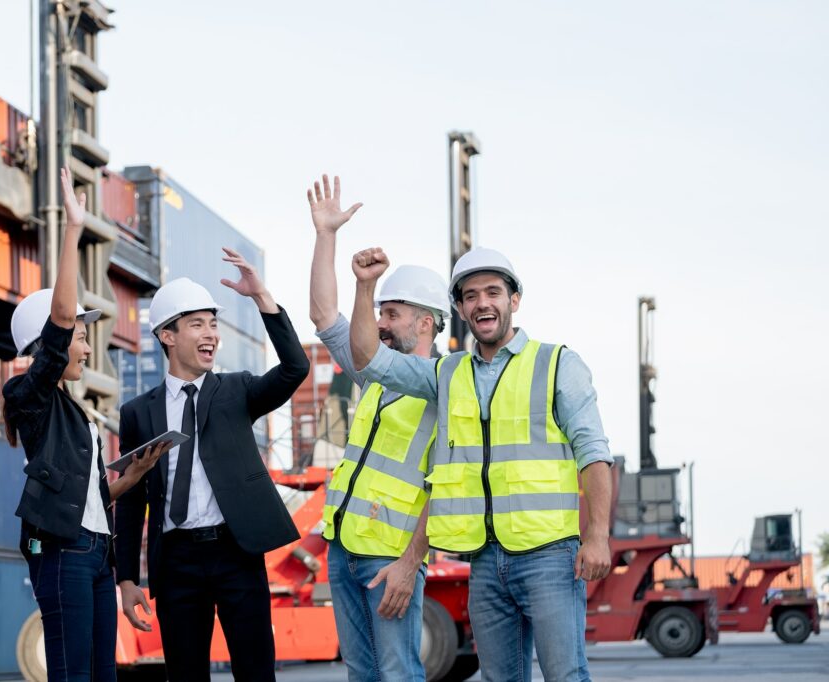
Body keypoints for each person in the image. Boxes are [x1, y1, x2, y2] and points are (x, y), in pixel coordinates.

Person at [349, 246, 614, 682]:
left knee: (566, 675)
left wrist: (598, 535)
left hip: (550, 556)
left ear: (514, 300)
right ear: (459, 309)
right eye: (470, 296)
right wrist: (365, 287)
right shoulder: (447, 374)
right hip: (485, 560)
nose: (481, 303)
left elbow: (594, 452)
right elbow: (369, 359)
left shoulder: (556, 364)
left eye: (493, 292)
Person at [3, 168, 170, 682]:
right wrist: (73, 229)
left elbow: (91, 496)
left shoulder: (74, 412)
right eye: (80, 337)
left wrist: (132, 476)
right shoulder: (29, 396)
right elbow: (57, 328)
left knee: (102, 674)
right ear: (47, 346)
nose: (87, 347)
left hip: (97, 552)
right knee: (73, 673)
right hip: (63, 551)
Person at [114, 250, 310, 682]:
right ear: (167, 335)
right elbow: (128, 498)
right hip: (175, 561)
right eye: (197, 324)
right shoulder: (137, 413)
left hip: (236, 551)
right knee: (185, 676)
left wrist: (262, 299)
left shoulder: (238, 391)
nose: (211, 335)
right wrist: (126, 578)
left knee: (256, 674)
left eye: (213, 324)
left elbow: (296, 367)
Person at [307, 174, 449, 681]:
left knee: (398, 674)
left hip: (390, 558)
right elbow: (324, 315)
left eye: (392, 313)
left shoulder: (445, 388)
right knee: (361, 674)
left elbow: (443, 486)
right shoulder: (373, 373)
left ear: (426, 322)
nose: (380, 323)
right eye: (379, 313)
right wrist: (326, 235)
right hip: (344, 547)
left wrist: (411, 563)